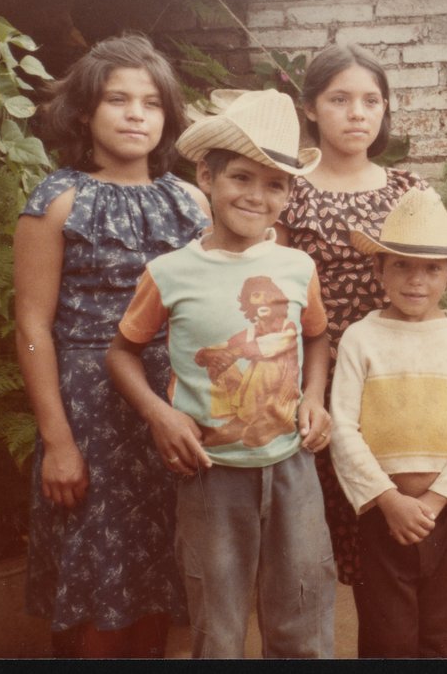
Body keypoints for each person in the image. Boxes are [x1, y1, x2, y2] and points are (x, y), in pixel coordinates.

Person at [106, 89, 337, 658]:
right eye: (241, 177)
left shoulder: (297, 266)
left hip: (292, 466)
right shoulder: (168, 273)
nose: (257, 196)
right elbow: (121, 353)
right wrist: (160, 416)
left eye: (276, 184)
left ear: (289, 193)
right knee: (218, 621)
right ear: (206, 177)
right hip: (210, 475)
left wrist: (314, 395)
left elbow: (316, 336)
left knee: (303, 611)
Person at [15, 33, 211, 658]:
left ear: (167, 116)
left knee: (162, 574)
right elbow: (31, 327)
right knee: (99, 579)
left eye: (151, 104)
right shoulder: (58, 201)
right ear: (84, 113)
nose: (135, 115)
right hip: (91, 415)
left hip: (173, 407)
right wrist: (58, 441)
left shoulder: (191, 201)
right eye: (117, 100)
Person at [276, 42, 427, 589]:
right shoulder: (288, 190)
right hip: (314, 373)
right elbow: (274, 290)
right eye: (339, 99)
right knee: (314, 528)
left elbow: (432, 283)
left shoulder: (407, 190)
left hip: (391, 372)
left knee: (389, 521)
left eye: (371, 100)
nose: (357, 113)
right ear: (311, 108)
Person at [328, 187, 447, 658]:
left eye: (432, 268)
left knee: (446, 638)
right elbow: (343, 428)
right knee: (389, 640)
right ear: (378, 268)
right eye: (401, 265)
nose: (416, 280)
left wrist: (436, 500)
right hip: (383, 516)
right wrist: (389, 501)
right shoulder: (361, 338)